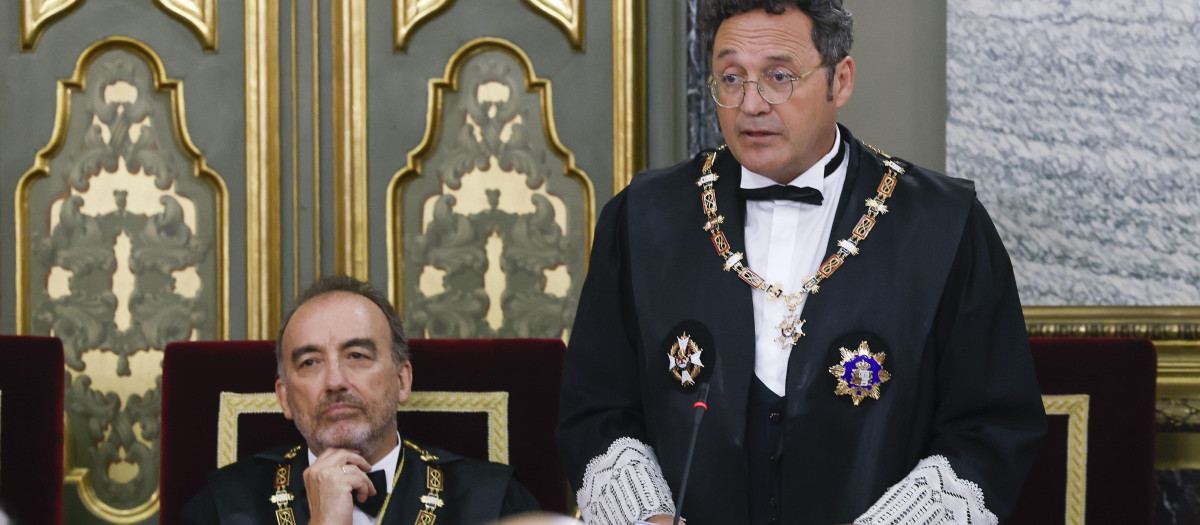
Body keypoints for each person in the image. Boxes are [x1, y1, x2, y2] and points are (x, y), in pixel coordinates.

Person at [556, 1, 1046, 524]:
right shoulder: (643, 217)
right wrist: (646, 516)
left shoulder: (944, 225)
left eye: (779, 76)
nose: (751, 104)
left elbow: (990, 427)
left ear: (841, 80)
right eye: (731, 77)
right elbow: (597, 408)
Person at [182, 275, 539, 524]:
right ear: (285, 398)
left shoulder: (496, 502)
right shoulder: (221, 508)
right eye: (310, 362)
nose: (335, 381)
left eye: (357, 355)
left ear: (402, 380)